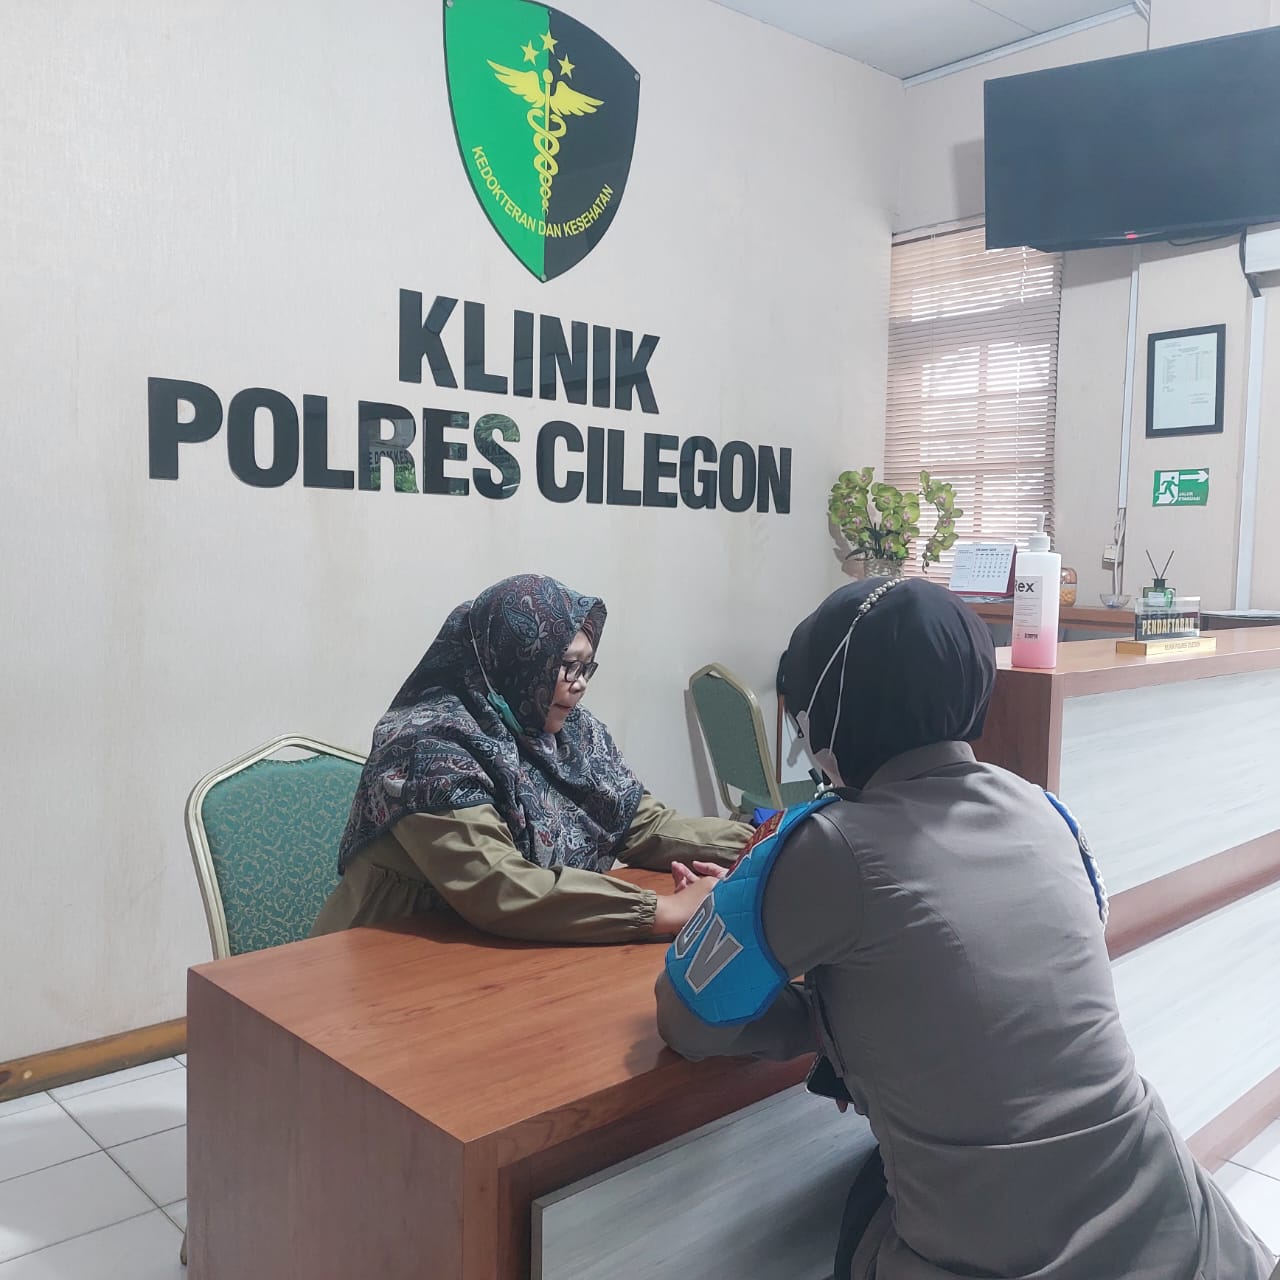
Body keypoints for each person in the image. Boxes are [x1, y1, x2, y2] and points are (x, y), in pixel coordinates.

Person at [655, 576, 1276, 1280]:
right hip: (1178, 1223)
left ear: (828, 716)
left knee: (858, 1205)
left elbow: (688, 1020)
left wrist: (779, 970)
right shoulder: (1045, 811)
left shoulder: (830, 844)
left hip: (1005, 1256)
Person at [312, 573, 750, 943]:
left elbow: (641, 824)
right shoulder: (428, 747)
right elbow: (499, 885)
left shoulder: (568, 731)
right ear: (516, 660)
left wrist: (764, 842)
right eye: (566, 665)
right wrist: (665, 910)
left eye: (586, 667)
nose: (580, 684)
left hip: (493, 952)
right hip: (383, 959)